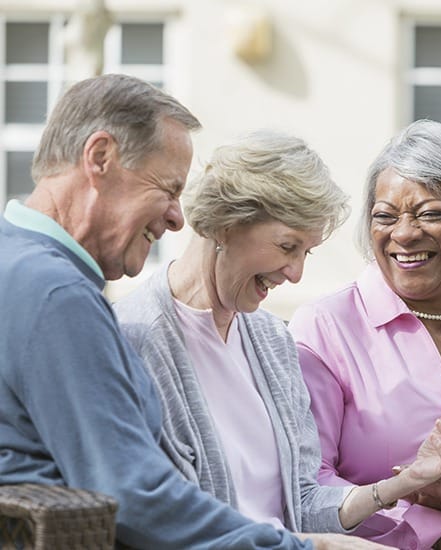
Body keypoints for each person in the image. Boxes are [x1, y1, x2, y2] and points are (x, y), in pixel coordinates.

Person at [0, 73, 333, 550]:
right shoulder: (59, 296)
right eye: (168, 188)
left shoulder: (15, 262)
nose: (180, 216)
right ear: (100, 158)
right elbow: (135, 497)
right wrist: (306, 548)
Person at [113, 129, 441, 548]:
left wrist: (406, 482)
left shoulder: (271, 339)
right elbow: (168, 523)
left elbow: (304, 503)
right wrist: (314, 546)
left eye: (307, 253)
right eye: (288, 246)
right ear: (226, 224)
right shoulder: (133, 338)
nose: (295, 273)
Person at [288, 119, 441, 550]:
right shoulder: (325, 328)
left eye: (430, 214)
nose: (404, 233)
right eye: (385, 216)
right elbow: (311, 486)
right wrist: (437, 530)